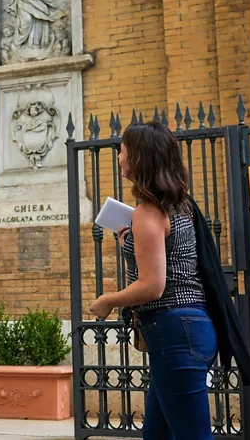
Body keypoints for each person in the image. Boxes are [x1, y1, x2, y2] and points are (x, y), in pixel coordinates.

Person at [88, 121, 217, 440]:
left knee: (193, 436)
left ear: (140, 157)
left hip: (174, 331)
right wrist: (129, 241)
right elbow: (172, 259)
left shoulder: (148, 212)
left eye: (123, 150)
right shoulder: (179, 205)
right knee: (158, 434)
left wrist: (109, 300)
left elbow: (153, 285)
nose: (119, 157)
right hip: (189, 328)